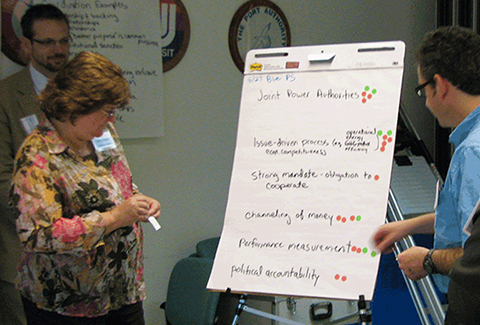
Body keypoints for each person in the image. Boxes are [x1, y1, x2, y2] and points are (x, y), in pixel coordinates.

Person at [10, 51, 161, 324]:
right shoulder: (38, 156)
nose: (113, 119)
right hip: (68, 303)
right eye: (107, 110)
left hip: (122, 290)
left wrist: (138, 201)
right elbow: (38, 235)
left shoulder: (103, 134)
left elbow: (118, 185)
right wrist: (113, 219)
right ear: (76, 105)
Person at [373, 26, 480, 295]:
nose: (426, 103)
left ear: (440, 86)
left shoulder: (472, 153)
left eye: (422, 91)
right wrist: (407, 226)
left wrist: (427, 260)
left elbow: (475, 257)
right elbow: (467, 220)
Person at [0, 4, 70, 324]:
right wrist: (52, 220)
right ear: (26, 45)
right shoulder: (5, 96)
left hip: (80, 258)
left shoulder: (85, 91)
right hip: (23, 251)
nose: (58, 50)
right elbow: (2, 177)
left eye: (64, 41)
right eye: (48, 42)